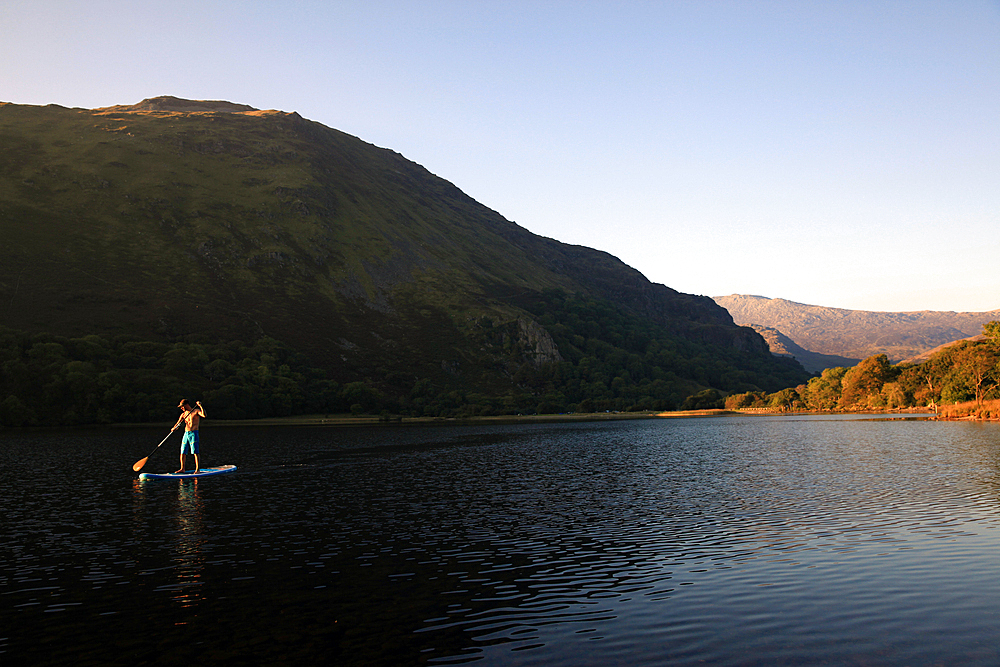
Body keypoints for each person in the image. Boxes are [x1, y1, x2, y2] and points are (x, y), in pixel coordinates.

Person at [172, 399, 206, 473]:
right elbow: (178, 423)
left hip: (194, 433)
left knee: (195, 451)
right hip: (186, 434)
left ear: (186, 405)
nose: (181, 408)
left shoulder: (196, 411)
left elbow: (204, 415)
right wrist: (174, 428)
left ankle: (197, 469)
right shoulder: (183, 414)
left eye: (182, 406)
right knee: (182, 452)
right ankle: (182, 468)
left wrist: (200, 406)